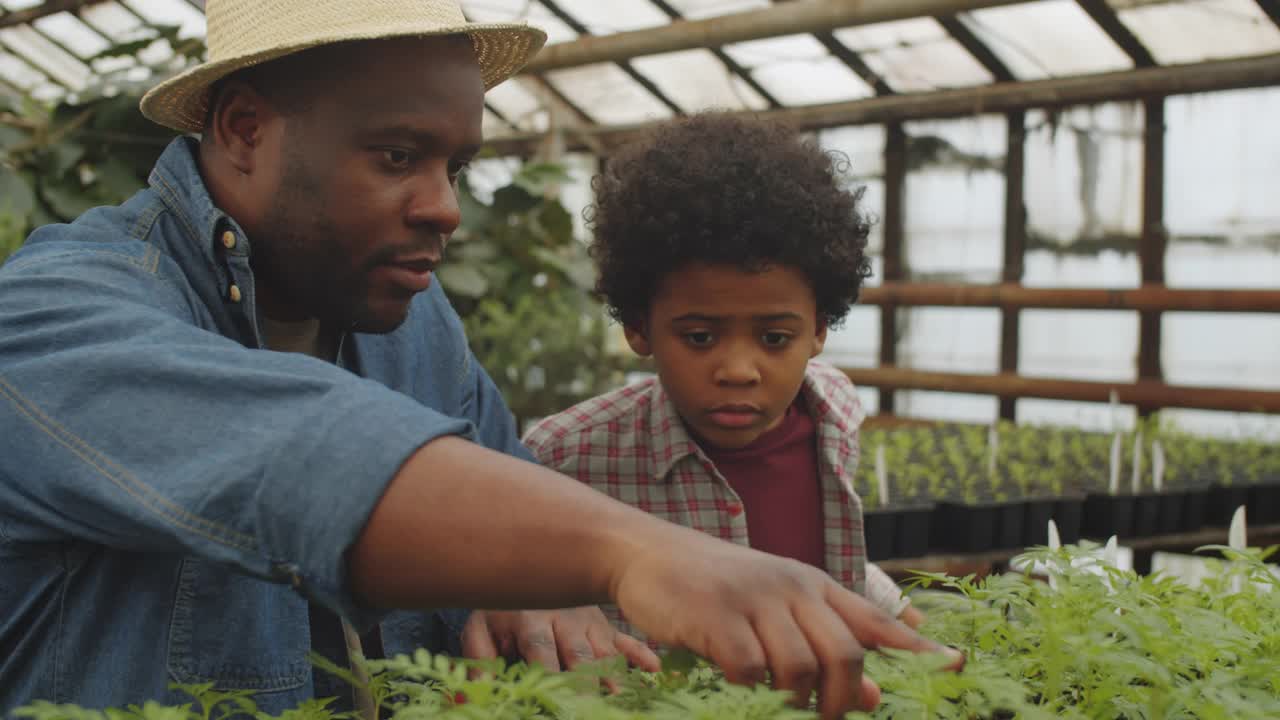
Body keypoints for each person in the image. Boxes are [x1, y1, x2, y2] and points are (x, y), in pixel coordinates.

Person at [0, 2, 959, 718]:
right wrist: (636, 551)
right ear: (246, 130)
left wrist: (547, 603)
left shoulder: (413, 324)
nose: (444, 206)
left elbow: (500, 518)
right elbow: (289, 453)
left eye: (454, 166)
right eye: (395, 157)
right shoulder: (59, 318)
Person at [525, 113, 925, 637]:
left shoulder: (833, 413)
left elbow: (826, 562)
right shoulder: (563, 458)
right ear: (640, 329)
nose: (738, 371)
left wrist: (907, 621)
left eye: (775, 339)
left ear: (818, 330)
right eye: (699, 338)